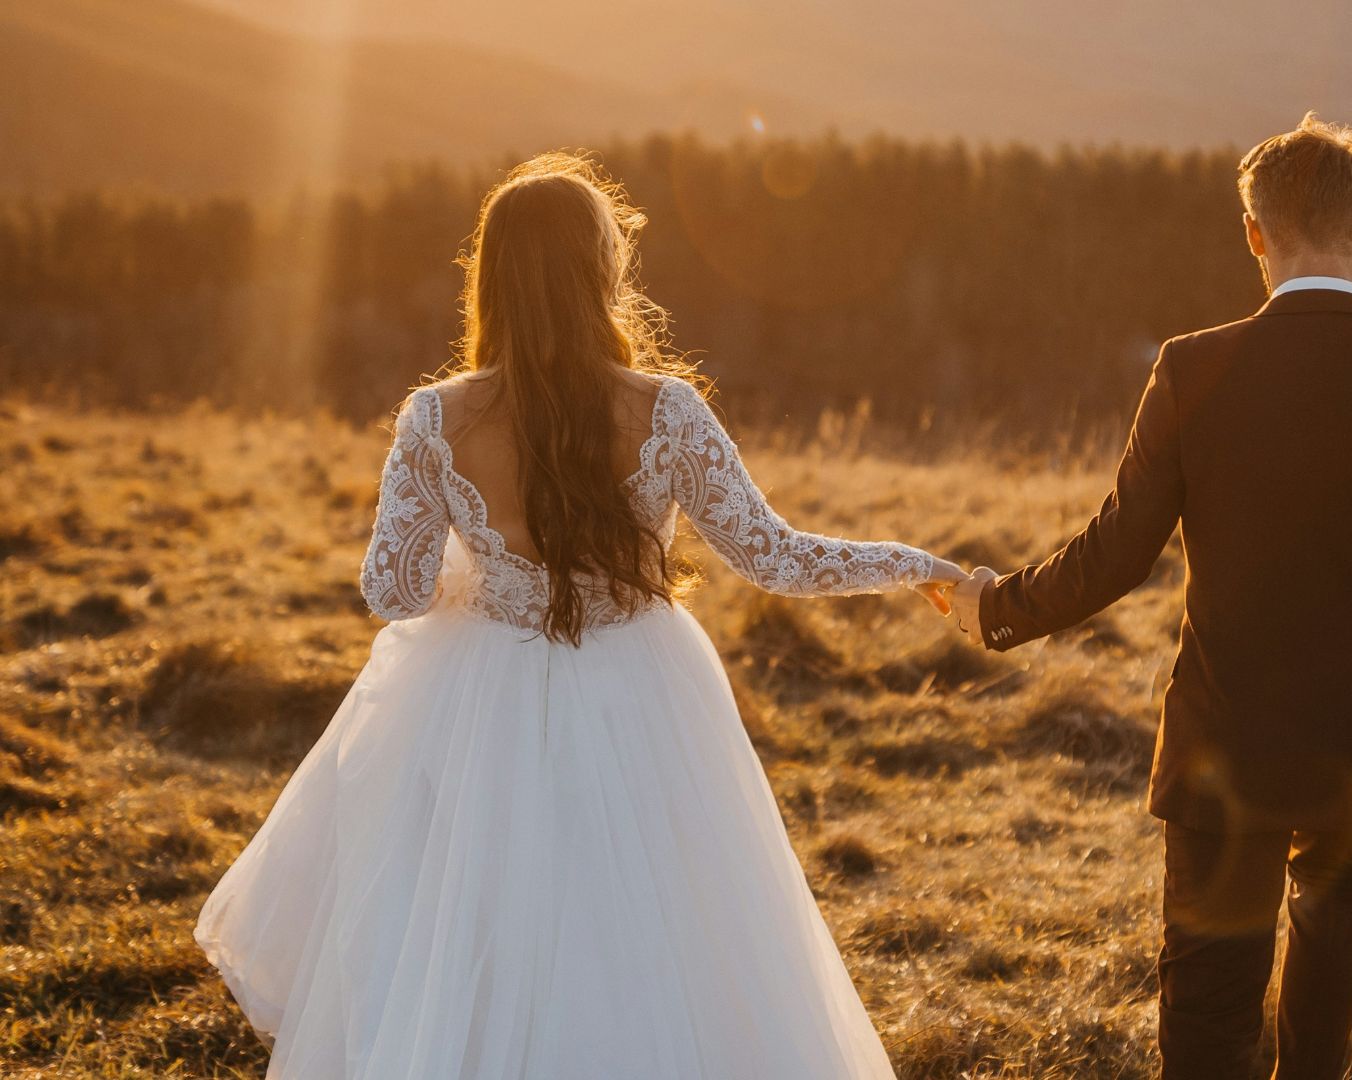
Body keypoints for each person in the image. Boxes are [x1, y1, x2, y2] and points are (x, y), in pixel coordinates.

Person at [194, 152, 964, 1078]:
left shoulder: (436, 419)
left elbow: (391, 592)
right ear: (601, 273)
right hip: (646, 689)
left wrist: (481, 577)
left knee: (476, 931)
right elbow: (777, 558)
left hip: (478, 695)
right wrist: (922, 566)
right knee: (659, 931)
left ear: (492, 279)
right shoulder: (667, 410)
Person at [947, 111, 1352, 1080]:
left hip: (1222, 744)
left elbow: (1115, 551)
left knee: (1206, 1029)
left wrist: (996, 607)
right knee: (1323, 1019)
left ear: (1253, 234)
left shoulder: (1192, 369)